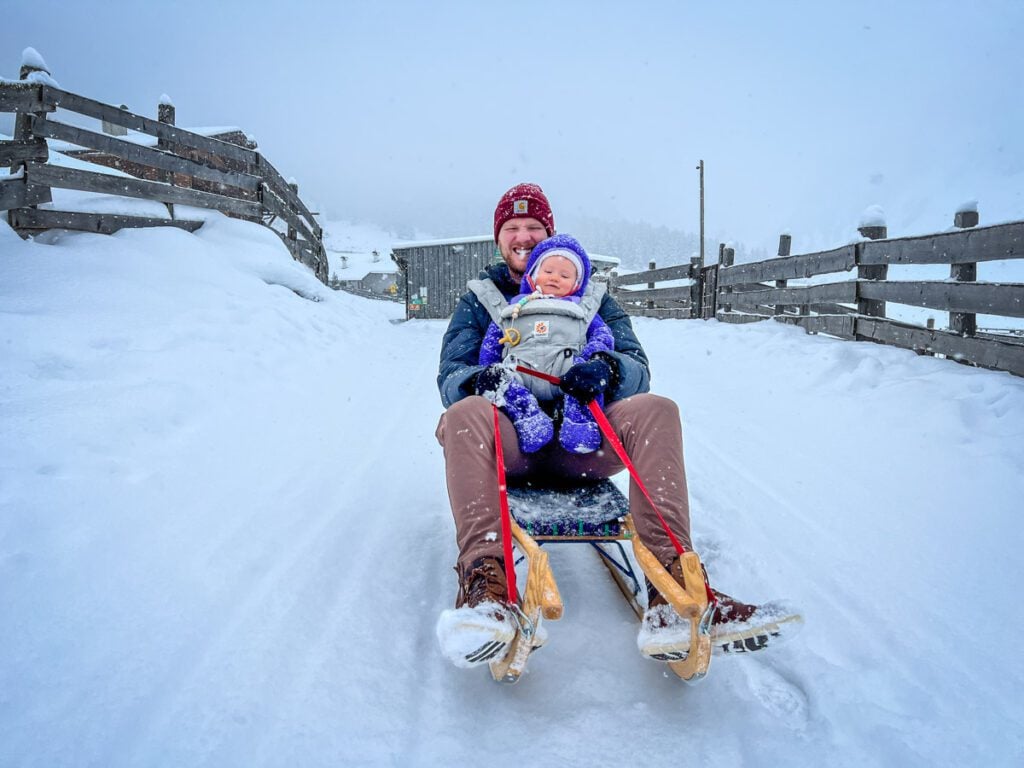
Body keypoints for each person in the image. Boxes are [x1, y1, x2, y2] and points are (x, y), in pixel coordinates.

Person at [434, 183, 798, 668]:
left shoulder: (593, 298)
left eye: (533, 228)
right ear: (498, 238)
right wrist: (483, 378)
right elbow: (451, 376)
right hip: (512, 447)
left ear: (549, 234)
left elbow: (636, 364)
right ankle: (486, 586)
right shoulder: (480, 300)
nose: (522, 237)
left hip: (582, 446)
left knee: (656, 408)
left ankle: (675, 588)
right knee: (461, 415)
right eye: (512, 228)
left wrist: (608, 368)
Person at [474, 233, 614, 455]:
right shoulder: (513, 308)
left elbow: (602, 335)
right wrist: (488, 367)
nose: (554, 278)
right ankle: (528, 418)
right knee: (504, 383)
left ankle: (579, 425)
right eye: (548, 271)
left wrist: (594, 358)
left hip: (565, 372)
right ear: (532, 275)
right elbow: (494, 338)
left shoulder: (580, 310)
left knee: (584, 385)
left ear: (577, 284)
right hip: (521, 369)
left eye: (565, 275)